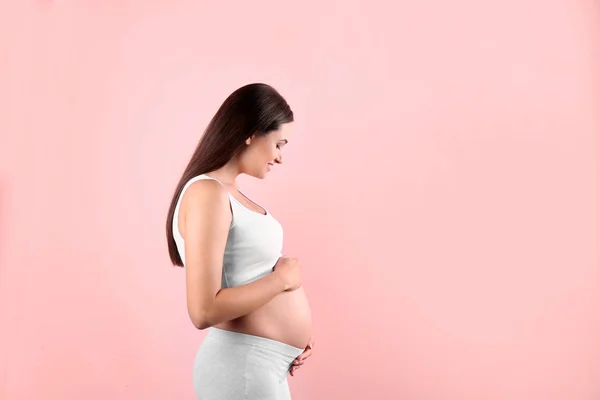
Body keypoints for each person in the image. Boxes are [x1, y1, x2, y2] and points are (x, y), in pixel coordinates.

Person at [165, 83, 315, 399]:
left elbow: (247, 275)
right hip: (242, 365)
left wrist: (288, 343)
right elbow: (203, 310)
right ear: (251, 133)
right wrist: (281, 280)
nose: (279, 157)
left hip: (260, 366)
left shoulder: (228, 193)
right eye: (279, 144)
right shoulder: (208, 193)